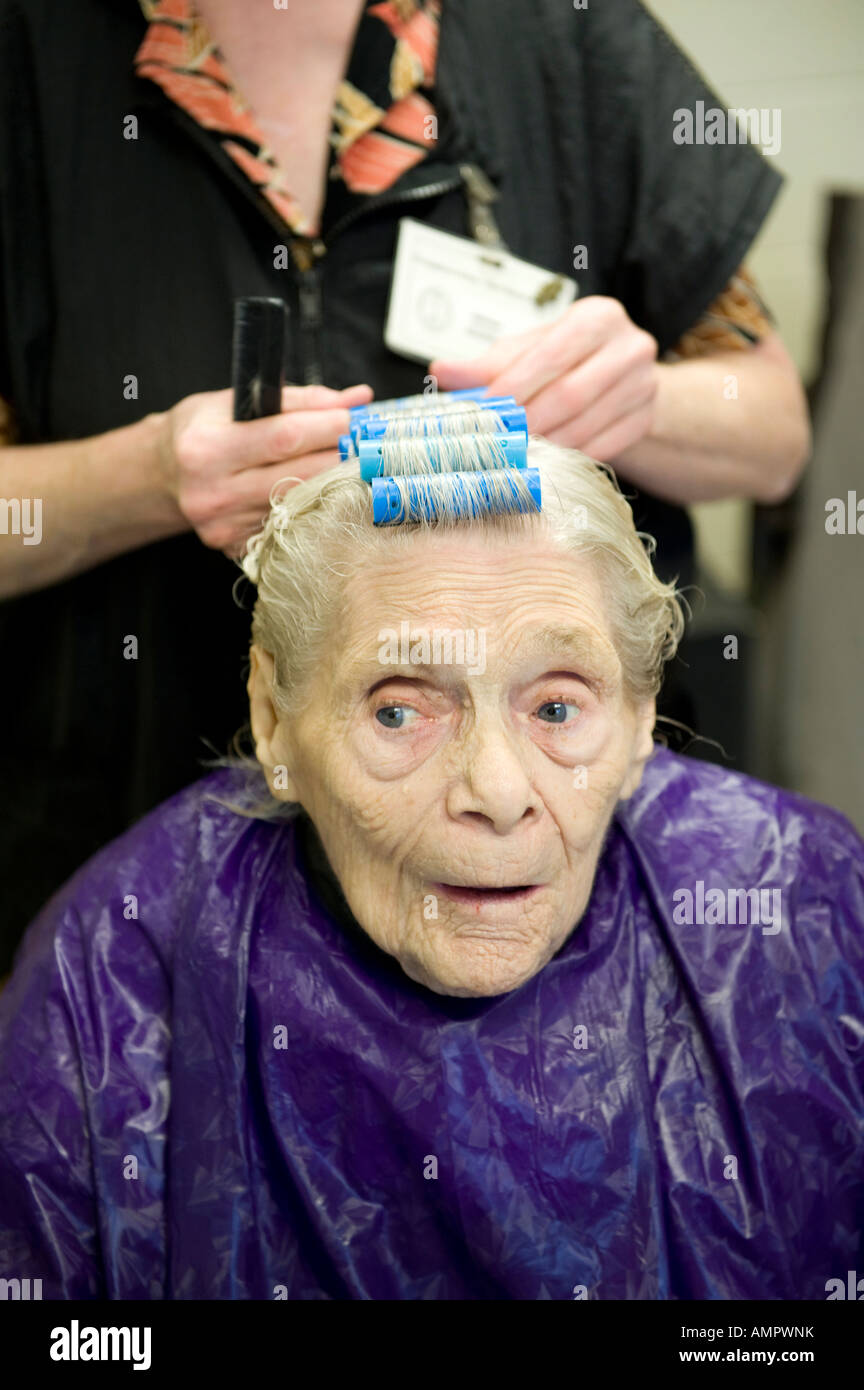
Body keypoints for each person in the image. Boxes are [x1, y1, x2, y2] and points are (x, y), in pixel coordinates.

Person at [0, 0, 810, 971]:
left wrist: (642, 402)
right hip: (118, 846)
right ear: (270, 717)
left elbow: (772, 433)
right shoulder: (28, 61)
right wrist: (146, 477)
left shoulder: (558, 36)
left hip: (574, 905)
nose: (491, 784)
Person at [0, 437, 860, 1300]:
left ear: (642, 721)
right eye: (400, 710)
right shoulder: (114, 966)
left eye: (556, 706)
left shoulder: (803, 901)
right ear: (273, 717)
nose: (496, 790)